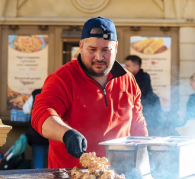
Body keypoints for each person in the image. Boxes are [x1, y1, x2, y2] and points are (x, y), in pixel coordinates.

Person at [31, 16, 148, 168]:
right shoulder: (62, 78)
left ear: (116, 47)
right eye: (92, 50)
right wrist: (66, 134)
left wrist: (144, 173)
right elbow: (41, 114)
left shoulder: (128, 79)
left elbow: (138, 127)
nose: (99, 57)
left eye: (106, 50)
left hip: (118, 177)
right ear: (81, 46)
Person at [124, 55, 163, 134]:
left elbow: (137, 94)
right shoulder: (128, 77)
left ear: (136, 67)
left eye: (128, 66)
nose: (125, 68)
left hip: (149, 114)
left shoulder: (144, 77)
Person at [23, 89, 49, 169]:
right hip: (53, 135)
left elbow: (26, 109)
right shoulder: (56, 92)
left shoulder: (36, 93)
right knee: (55, 164)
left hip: (37, 134)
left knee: (38, 165)